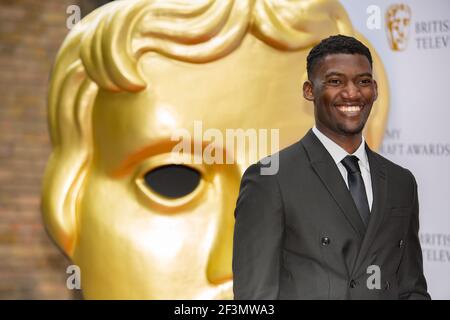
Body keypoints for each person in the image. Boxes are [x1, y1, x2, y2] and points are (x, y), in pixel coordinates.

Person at [232, 35, 430, 300]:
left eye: (363, 81)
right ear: (309, 90)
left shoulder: (400, 181)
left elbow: (411, 288)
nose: (352, 93)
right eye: (335, 81)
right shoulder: (271, 178)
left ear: (375, 89)